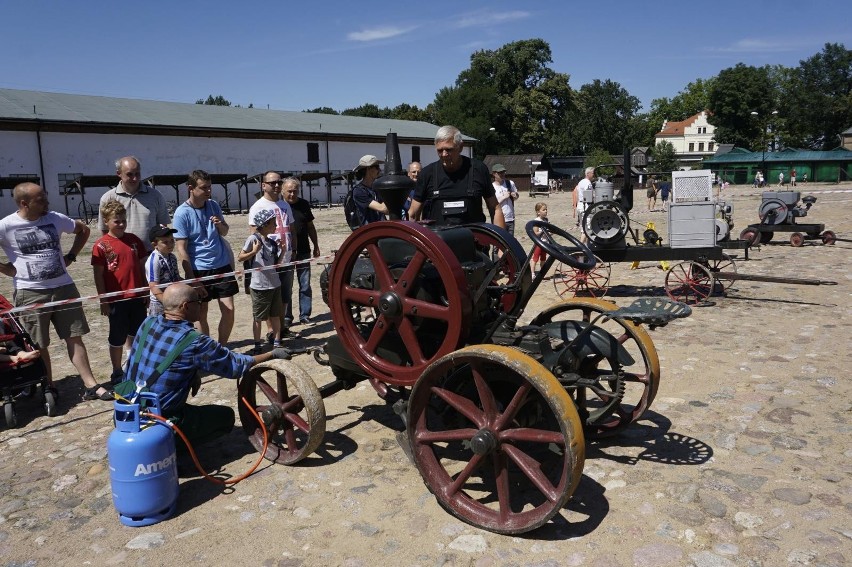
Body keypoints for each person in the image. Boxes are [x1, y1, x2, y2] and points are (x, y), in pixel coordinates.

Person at [120, 283, 292, 451]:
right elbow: (235, 366)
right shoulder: (194, 341)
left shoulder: (148, 323)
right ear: (186, 306)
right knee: (225, 417)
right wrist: (272, 354)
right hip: (158, 424)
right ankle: (172, 449)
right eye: (198, 302)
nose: (201, 306)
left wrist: (192, 372)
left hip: (125, 414)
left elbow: (163, 359)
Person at [0, 183, 111, 401]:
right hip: (30, 292)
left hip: (64, 287)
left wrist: (70, 256)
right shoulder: (6, 226)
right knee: (38, 343)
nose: (46, 202)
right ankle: (48, 385)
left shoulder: (55, 218)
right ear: (24, 203)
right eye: (40, 199)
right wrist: (7, 269)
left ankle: (91, 384)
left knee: (74, 337)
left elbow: (83, 230)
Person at [173, 170, 237, 345]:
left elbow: (225, 232)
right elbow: (182, 249)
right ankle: (207, 349)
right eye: (204, 188)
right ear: (191, 188)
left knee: (229, 309)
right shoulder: (181, 213)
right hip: (199, 268)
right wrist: (192, 278)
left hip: (221, 264)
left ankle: (222, 347)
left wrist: (220, 224)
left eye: (209, 187)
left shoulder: (213, 205)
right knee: (201, 314)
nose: (208, 191)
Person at [92, 201, 148, 384]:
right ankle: (117, 370)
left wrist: (146, 290)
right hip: (116, 300)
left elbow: (141, 267)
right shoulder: (101, 245)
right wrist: (103, 300)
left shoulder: (134, 241)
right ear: (106, 221)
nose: (121, 224)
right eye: (117, 221)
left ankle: (135, 365)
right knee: (117, 336)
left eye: (124, 220)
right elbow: (98, 275)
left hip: (137, 296)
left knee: (138, 333)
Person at [408, 125, 504, 228]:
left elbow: (495, 208)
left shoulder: (478, 169)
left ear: (460, 147)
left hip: (473, 242)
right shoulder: (427, 174)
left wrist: (501, 241)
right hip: (438, 242)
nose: (444, 154)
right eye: (440, 150)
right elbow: (413, 214)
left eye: (449, 150)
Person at [248, 171, 296, 339]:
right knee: (270, 296)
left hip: (287, 258)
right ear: (263, 185)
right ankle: (271, 331)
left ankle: (281, 329)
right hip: (268, 262)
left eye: (279, 182)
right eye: (272, 182)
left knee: (284, 296)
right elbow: (254, 236)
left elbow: (291, 229)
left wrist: (293, 249)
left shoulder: (285, 205)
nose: (276, 185)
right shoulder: (258, 207)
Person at [98, 156, 170, 252]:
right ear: (119, 173)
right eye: (130, 174)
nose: (135, 178)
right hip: (122, 257)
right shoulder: (108, 198)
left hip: (150, 255)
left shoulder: (155, 196)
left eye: (137, 173)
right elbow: (105, 231)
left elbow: (162, 227)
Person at [238, 209, 283, 354]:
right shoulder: (253, 239)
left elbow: (276, 264)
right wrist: (254, 252)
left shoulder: (271, 242)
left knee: (275, 315)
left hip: (274, 283)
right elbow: (240, 257)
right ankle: (257, 345)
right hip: (259, 286)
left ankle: (277, 343)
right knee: (258, 317)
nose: (276, 225)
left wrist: (283, 250)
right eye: (273, 223)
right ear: (265, 224)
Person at [281, 178, 320, 327]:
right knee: (287, 286)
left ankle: (305, 315)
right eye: (289, 191)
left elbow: (310, 226)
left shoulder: (303, 204)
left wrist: (316, 245)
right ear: (283, 191)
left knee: (305, 284)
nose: (292, 194)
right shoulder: (279, 205)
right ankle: (287, 317)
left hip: (303, 250)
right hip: (286, 253)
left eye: (295, 191)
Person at [145, 224, 181, 316]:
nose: (170, 244)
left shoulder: (172, 257)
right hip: (160, 304)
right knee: (159, 329)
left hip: (173, 300)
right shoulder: (154, 260)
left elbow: (176, 278)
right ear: (155, 244)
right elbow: (154, 286)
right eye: (165, 242)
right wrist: (167, 303)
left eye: (172, 241)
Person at [352, 155, 389, 226]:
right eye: (377, 167)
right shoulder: (359, 191)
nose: (380, 170)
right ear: (368, 169)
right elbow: (383, 208)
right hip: (369, 232)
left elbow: (387, 211)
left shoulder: (376, 189)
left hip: (380, 228)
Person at [491, 164, 519, 235]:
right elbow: (491, 204)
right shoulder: (491, 187)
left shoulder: (510, 183)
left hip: (510, 219)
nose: (502, 174)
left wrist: (515, 195)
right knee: (498, 242)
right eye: (500, 172)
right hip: (498, 219)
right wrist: (504, 197)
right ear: (494, 174)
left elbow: (516, 196)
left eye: (503, 172)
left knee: (509, 243)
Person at [573, 167, 594, 242]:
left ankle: (587, 247)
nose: (594, 174)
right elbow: (588, 196)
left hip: (580, 205)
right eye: (592, 173)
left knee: (584, 227)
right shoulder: (588, 183)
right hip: (585, 206)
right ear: (588, 174)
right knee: (587, 229)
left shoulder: (581, 182)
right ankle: (581, 247)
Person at [530, 203, 548, 277]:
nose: (546, 211)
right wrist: (542, 232)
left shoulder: (546, 220)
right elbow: (535, 233)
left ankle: (542, 273)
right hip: (538, 244)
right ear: (538, 212)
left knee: (543, 259)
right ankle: (532, 273)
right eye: (544, 210)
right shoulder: (536, 221)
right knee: (535, 258)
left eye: (546, 209)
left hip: (545, 243)